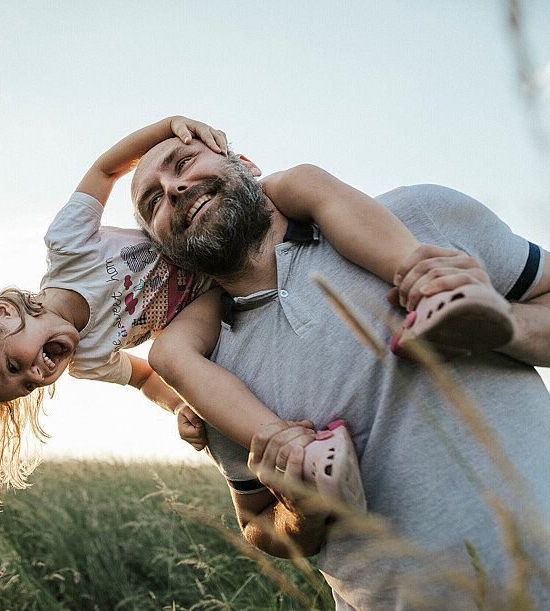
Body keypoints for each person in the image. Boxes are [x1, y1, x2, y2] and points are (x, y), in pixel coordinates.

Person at [0, 116, 511, 535]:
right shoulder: (88, 360)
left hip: (216, 247)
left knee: (300, 180)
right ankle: (298, 457)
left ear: (5, 314)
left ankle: (430, 283)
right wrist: (184, 409)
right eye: (27, 385)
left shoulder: (68, 247)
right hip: (207, 290)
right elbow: (145, 377)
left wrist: (169, 127)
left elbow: (105, 169)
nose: (38, 373)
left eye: (16, 364)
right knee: (170, 357)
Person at [131, 134, 550, 608]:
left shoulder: (417, 215)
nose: (174, 189)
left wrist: (503, 323)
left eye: (184, 162)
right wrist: (301, 512)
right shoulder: (207, 376)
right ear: (163, 248)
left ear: (244, 163)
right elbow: (256, 522)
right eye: (153, 202)